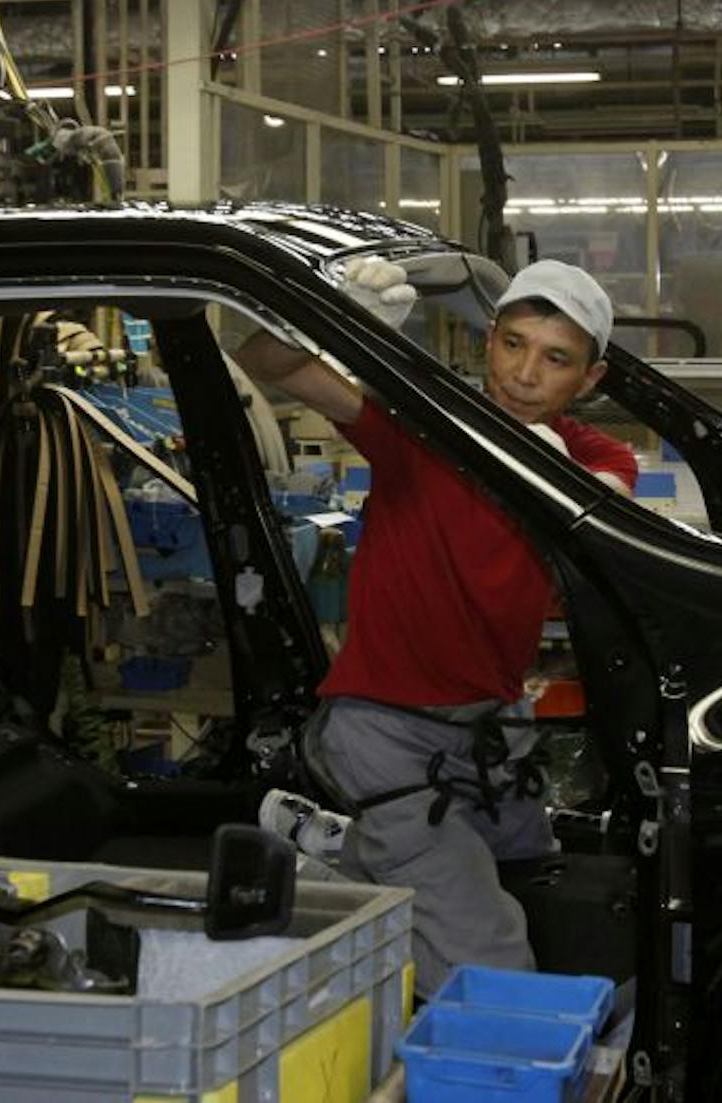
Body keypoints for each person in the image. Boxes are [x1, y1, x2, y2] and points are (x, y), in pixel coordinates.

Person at [234, 258, 636, 994]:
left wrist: (550, 476)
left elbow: (597, 511)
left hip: (488, 729)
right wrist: (330, 320)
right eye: (512, 343)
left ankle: (341, 849)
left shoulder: (598, 455)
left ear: (591, 378)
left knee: (541, 872)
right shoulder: (419, 428)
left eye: (555, 359)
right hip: (387, 734)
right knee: (494, 952)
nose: (523, 373)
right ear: (489, 340)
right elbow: (261, 357)